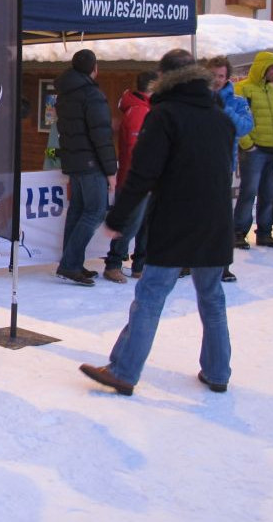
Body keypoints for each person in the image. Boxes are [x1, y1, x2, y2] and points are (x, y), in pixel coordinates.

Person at [79, 51, 235, 397]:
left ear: (163, 78)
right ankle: (218, 371)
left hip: (177, 219)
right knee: (212, 297)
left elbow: (142, 173)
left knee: (150, 296)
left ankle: (123, 371)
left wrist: (118, 217)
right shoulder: (220, 118)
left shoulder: (164, 115)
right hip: (216, 221)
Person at [54, 49, 118, 286]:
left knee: (78, 211)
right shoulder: (92, 95)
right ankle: (70, 264)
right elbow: (101, 136)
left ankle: (72, 262)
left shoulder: (64, 94)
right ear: (94, 69)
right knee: (95, 212)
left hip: (74, 161)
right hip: (91, 163)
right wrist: (110, 171)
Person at [102, 69, 157, 284]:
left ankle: (139, 265)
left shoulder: (144, 109)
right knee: (131, 223)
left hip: (145, 178)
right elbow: (136, 149)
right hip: (136, 178)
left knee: (144, 224)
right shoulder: (138, 111)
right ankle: (114, 264)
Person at [233, 50, 273, 250]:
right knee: (249, 191)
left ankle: (265, 232)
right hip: (254, 151)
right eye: (272, 68)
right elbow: (236, 118)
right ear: (262, 68)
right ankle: (238, 232)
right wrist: (247, 144)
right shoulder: (243, 89)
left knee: (269, 192)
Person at [207, 55, 254, 282]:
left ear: (227, 78)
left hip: (224, 167)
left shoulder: (237, 102)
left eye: (221, 76)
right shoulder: (196, 98)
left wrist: (224, 108)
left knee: (222, 220)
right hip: (195, 167)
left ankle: (222, 265)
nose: (217, 80)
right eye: (213, 75)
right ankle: (189, 261)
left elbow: (245, 127)